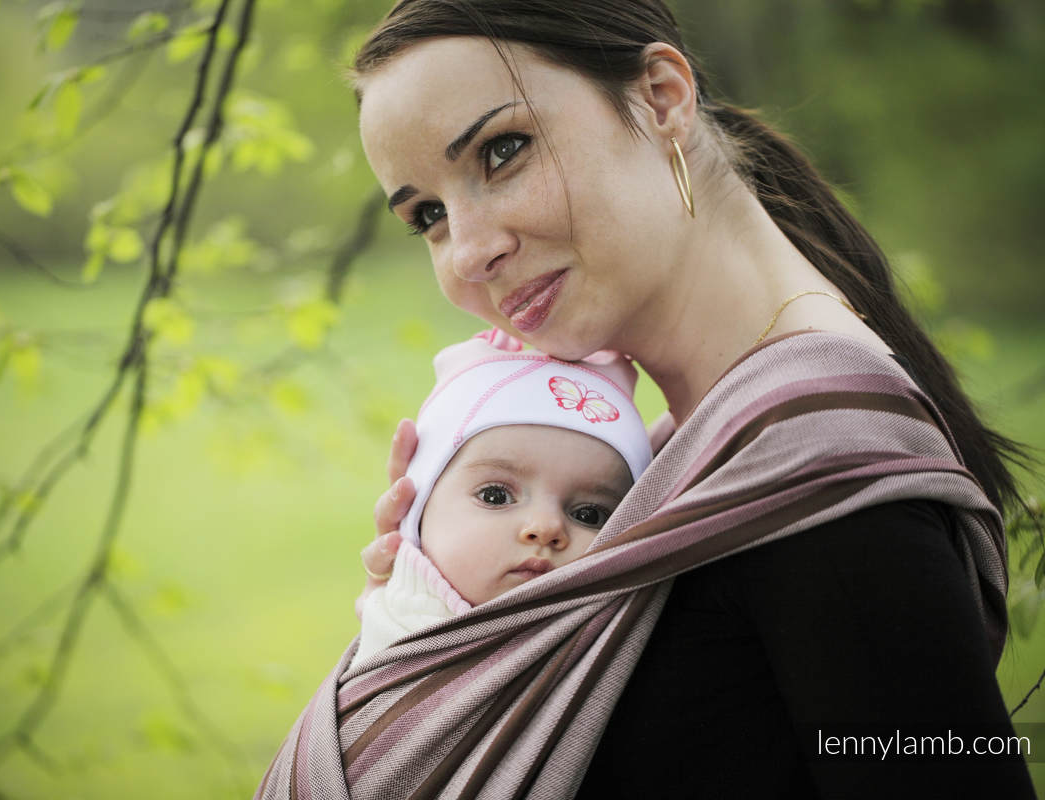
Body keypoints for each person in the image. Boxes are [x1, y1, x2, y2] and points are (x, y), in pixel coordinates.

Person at [258, 2, 1036, 798]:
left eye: (503, 151)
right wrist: (431, 622)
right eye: (427, 214)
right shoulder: (681, 466)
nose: (470, 251)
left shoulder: (824, 484)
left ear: (662, 96)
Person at [350, 332, 652, 667]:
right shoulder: (395, 627)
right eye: (495, 496)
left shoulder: (613, 650)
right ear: (416, 511)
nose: (546, 527)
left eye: (589, 515)